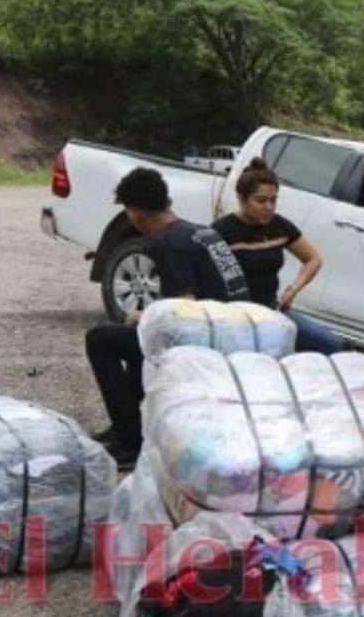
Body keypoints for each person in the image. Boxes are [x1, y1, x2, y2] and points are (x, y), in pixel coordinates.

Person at [86, 167, 248, 467]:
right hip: (237, 326)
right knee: (140, 339)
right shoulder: (201, 231)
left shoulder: (168, 242)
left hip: (211, 341)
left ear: (134, 213)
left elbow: (184, 311)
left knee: (100, 339)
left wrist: (143, 316)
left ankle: (129, 443)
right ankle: (130, 425)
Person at [212, 157, 344, 355]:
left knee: (331, 344)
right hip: (236, 317)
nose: (269, 207)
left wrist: (293, 289)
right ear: (241, 199)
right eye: (261, 200)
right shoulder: (222, 232)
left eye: (273, 200)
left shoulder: (279, 226)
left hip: (273, 311)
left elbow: (313, 259)